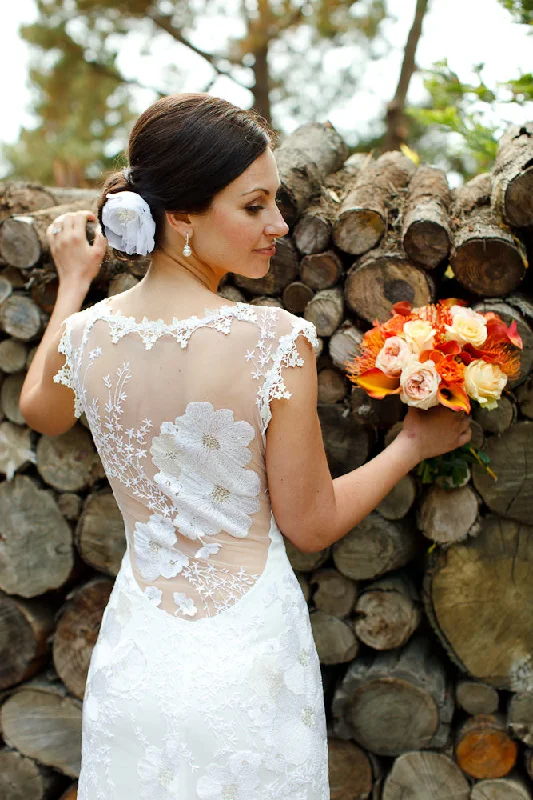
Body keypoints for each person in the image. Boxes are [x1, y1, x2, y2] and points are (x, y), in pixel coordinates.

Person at [19, 93, 471, 799]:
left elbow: (40, 409)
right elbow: (310, 522)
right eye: (254, 206)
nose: (279, 225)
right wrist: (411, 443)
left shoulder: (87, 336)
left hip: (139, 654)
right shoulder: (272, 342)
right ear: (181, 217)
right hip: (247, 651)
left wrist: (73, 286)